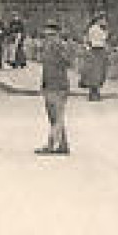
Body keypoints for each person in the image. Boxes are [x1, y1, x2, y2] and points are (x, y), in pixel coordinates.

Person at [35, 21, 76, 155]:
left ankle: (51, 145)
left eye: (51, 33)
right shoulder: (48, 45)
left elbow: (68, 62)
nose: (48, 35)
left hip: (58, 85)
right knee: (54, 116)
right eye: (47, 32)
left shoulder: (58, 45)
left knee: (56, 116)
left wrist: (61, 59)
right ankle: (63, 145)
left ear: (56, 33)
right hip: (50, 83)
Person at [79, 13, 109, 101]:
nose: (105, 22)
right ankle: (93, 94)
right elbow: (93, 41)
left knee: (98, 72)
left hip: (99, 51)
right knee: (95, 73)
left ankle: (95, 93)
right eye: (103, 20)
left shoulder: (99, 29)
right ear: (98, 20)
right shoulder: (94, 29)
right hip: (96, 51)